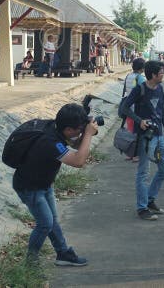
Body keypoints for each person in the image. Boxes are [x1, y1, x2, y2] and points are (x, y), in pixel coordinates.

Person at [12, 103, 99, 267]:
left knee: (52, 221)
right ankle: (30, 263)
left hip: (43, 183)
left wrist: (85, 132)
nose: (80, 132)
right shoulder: (50, 141)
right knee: (45, 223)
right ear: (68, 129)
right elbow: (78, 161)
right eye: (78, 129)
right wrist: (87, 134)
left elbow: (75, 145)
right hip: (29, 187)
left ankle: (63, 253)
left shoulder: (55, 127)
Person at [118, 60, 164, 221]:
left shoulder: (160, 88)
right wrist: (139, 120)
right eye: (161, 72)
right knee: (143, 172)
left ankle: (150, 200)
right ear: (153, 75)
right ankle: (142, 208)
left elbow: (161, 110)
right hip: (145, 137)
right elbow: (124, 108)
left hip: (159, 135)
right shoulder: (140, 89)